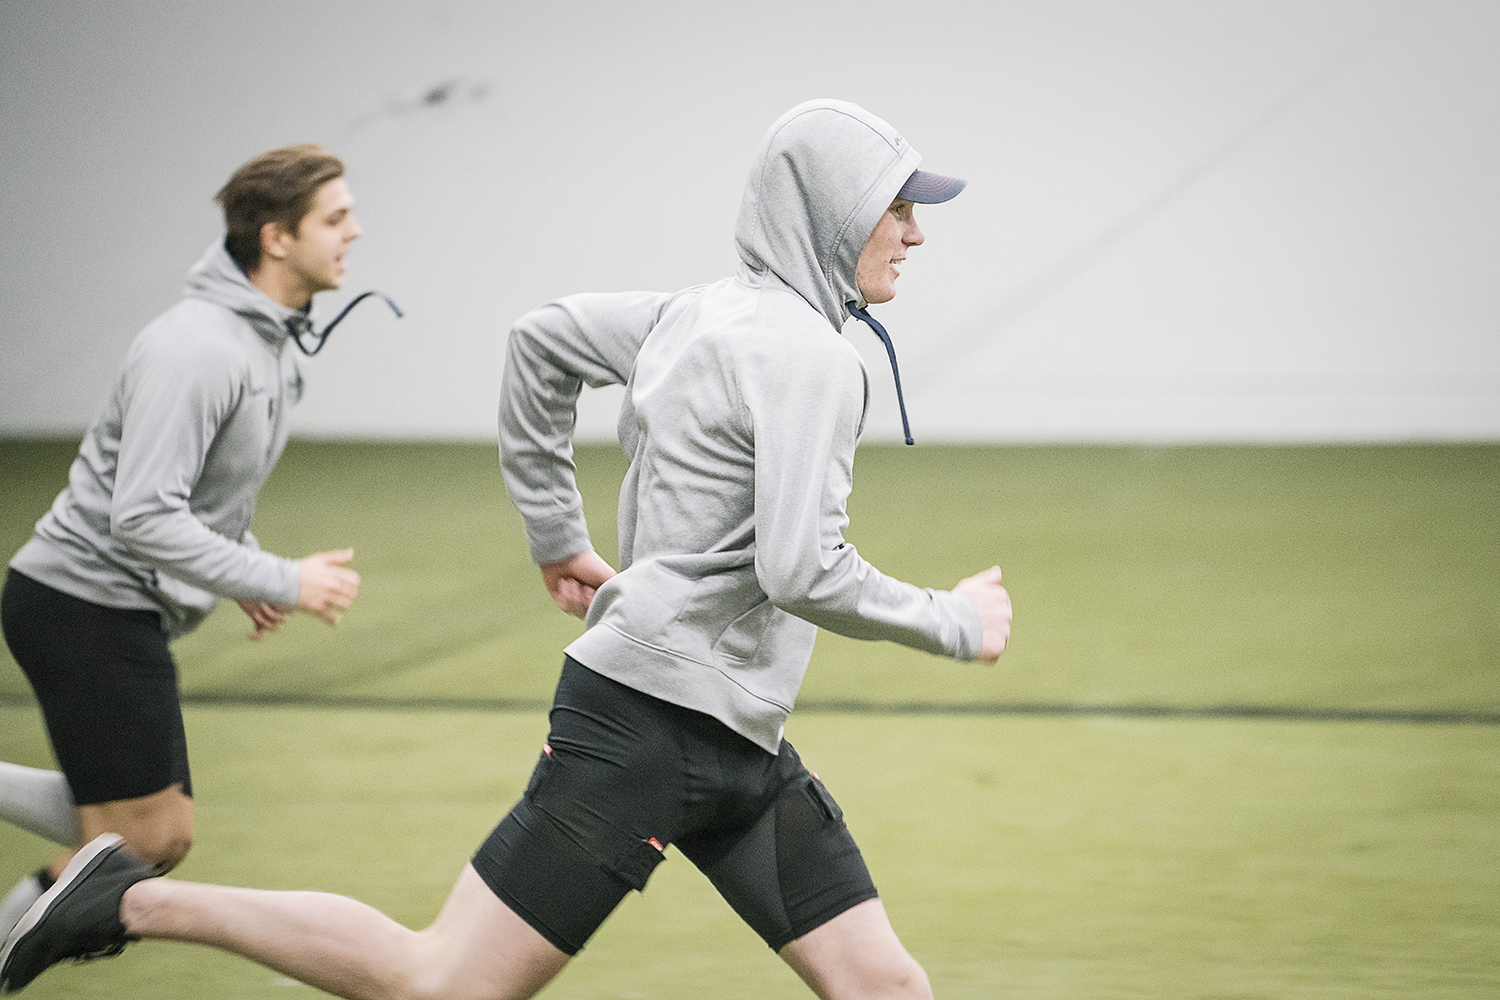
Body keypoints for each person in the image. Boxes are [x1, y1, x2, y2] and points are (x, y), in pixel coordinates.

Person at [0, 99, 1012, 1000]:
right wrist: (952, 619)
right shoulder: (815, 360)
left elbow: (540, 340)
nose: (917, 234)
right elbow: (802, 567)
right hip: (648, 735)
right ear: (830, 210)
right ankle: (120, 904)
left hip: (735, 740)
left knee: (884, 983)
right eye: (898, 207)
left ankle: (111, 896)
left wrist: (556, 536)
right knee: (438, 980)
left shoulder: (689, 313)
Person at [0, 145, 377, 941]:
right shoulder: (199, 349)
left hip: (113, 610)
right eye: (336, 219)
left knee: (142, 833)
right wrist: (281, 577)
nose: (356, 232)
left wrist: (237, 564)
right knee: (145, 840)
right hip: (83, 607)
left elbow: (203, 488)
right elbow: (140, 515)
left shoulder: (264, 342)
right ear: (277, 237)